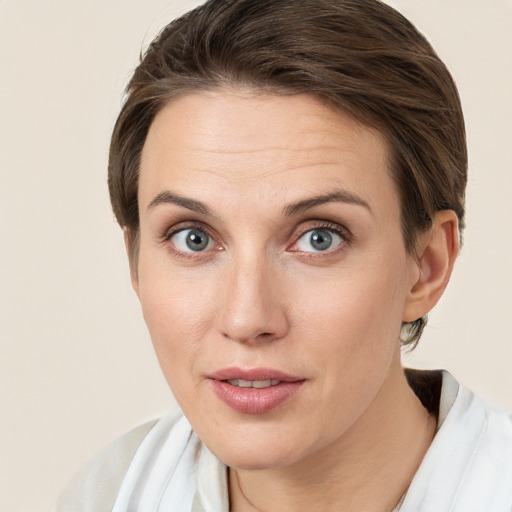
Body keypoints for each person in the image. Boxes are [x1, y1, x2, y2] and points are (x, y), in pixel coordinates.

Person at [55, 0, 512, 510]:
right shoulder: (110, 492)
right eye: (194, 238)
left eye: (320, 238)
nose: (247, 318)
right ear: (136, 262)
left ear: (426, 267)